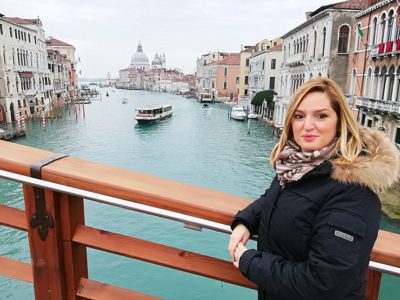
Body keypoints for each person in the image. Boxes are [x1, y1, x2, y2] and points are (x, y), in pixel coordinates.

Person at [228, 77, 399, 300]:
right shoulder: (297, 167)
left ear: (340, 122)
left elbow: (323, 284)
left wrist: (249, 260)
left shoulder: (354, 192)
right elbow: (274, 198)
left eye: (321, 115)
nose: (308, 125)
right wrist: (245, 221)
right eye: (299, 116)